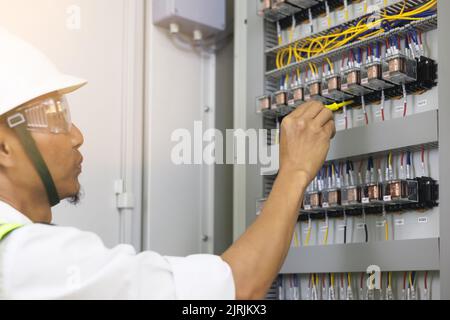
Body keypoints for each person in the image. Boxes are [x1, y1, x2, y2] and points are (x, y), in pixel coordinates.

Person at [0, 27, 335, 300]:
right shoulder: (26, 259)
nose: (77, 136)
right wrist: (295, 170)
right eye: (56, 119)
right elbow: (236, 291)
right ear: (3, 147)